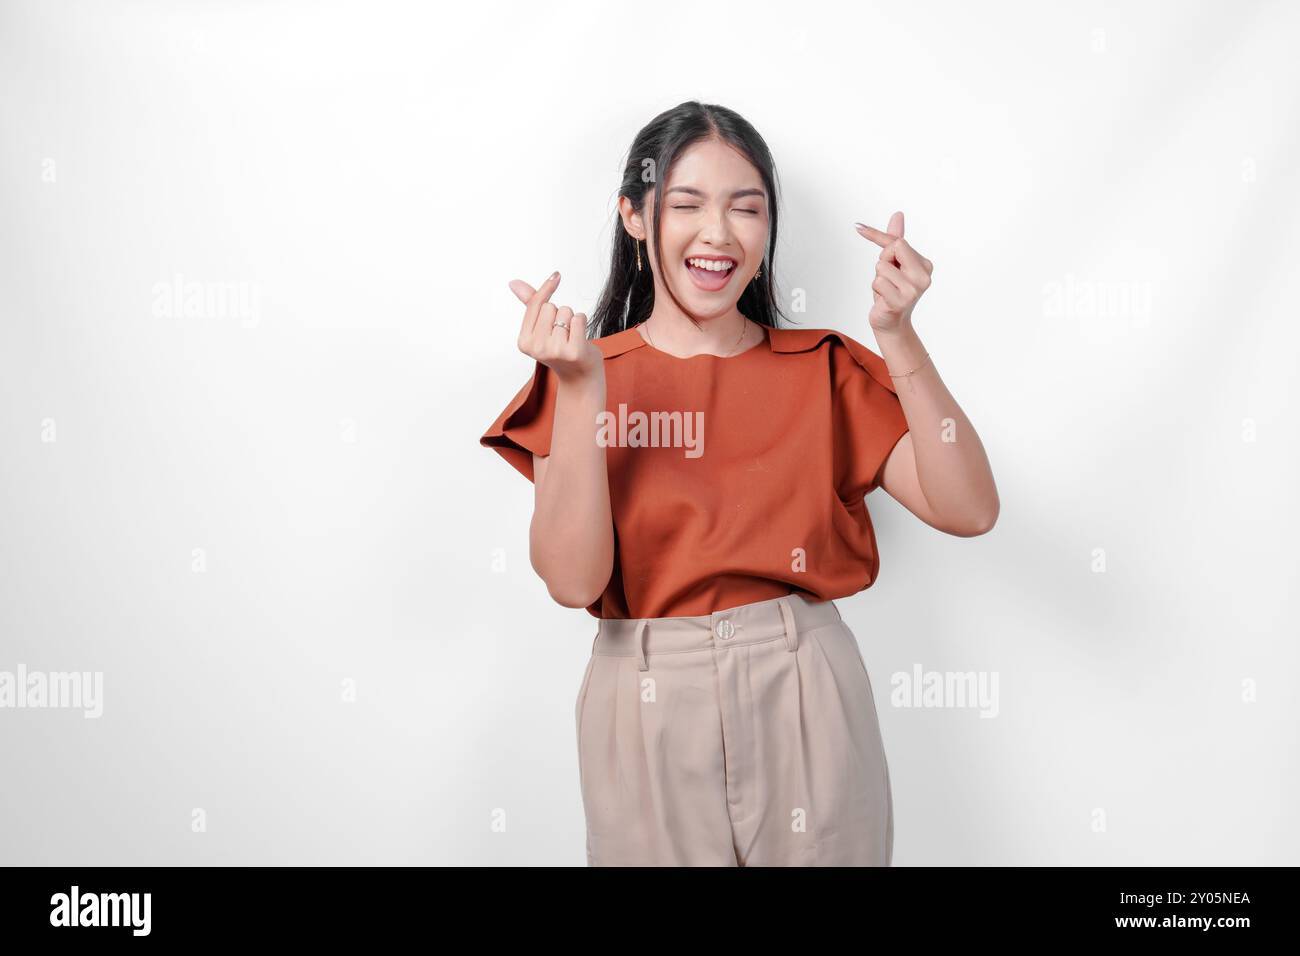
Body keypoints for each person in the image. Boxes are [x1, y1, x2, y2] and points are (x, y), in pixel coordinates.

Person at [480, 101, 999, 866]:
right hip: (644, 693)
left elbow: (970, 509)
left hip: (804, 690)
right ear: (633, 215)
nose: (719, 233)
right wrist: (583, 391)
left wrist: (897, 336)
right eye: (686, 205)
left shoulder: (823, 366)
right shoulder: (581, 377)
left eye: (746, 208)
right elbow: (572, 580)